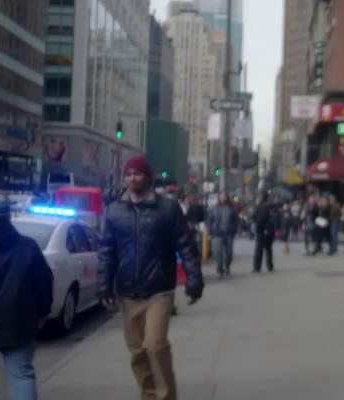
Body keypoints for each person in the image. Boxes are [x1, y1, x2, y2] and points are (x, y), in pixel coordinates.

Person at [98, 155, 204, 400]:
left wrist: (194, 281)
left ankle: (166, 396)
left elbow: (186, 246)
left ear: (148, 177)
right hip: (128, 291)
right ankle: (148, 394)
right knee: (137, 352)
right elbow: (106, 251)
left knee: (155, 345)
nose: (132, 178)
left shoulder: (167, 208)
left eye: (137, 174)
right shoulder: (114, 211)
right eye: (128, 174)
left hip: (159, 289)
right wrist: (105, 286)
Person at [0, 195, 53, 400]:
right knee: (21, 374)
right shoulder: (28, 247)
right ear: (9, 216)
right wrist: (43, 313)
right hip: (18, 323)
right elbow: (44, 283)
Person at [207, 192, 240, 277]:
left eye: (224, 197)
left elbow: (237, 221)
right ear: (219, 198)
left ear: (227, 198)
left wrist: (237, 231)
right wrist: (210, 232)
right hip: (217, 234)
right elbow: (209, 221)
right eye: (221, 197)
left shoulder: (232, 208)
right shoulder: (214, 208)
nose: (223, 198)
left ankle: (227, 266)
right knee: (218, 253)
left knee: (229, 253)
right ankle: (220, 269)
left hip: (229, 234)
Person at [253, 192, 275, 273]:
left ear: (261, 198)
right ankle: (270, 266)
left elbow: (256, 217)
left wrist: (257, 226)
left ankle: (257, 267)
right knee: (268, 249)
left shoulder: (261, 206)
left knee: (259, 249)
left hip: (262, 229)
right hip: (270, 229)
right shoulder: (271, 206)